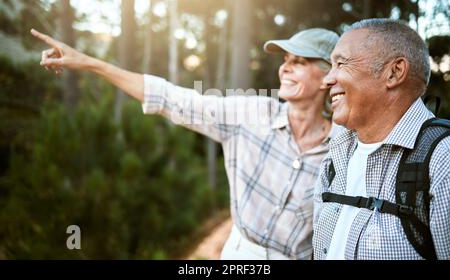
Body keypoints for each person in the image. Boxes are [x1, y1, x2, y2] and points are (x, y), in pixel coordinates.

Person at [31, 27, 340, 260]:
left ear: (328, 77)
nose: (284, 68)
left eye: (298, 62)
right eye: (285, 60)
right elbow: (172, 98)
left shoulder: (342, 146)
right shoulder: (251, 114)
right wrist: (90, 63)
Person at [313, 18, 450, 260]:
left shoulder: (443, 159)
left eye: (341, 63)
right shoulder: (335, 155)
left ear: (394, 72)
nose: (326, 80)